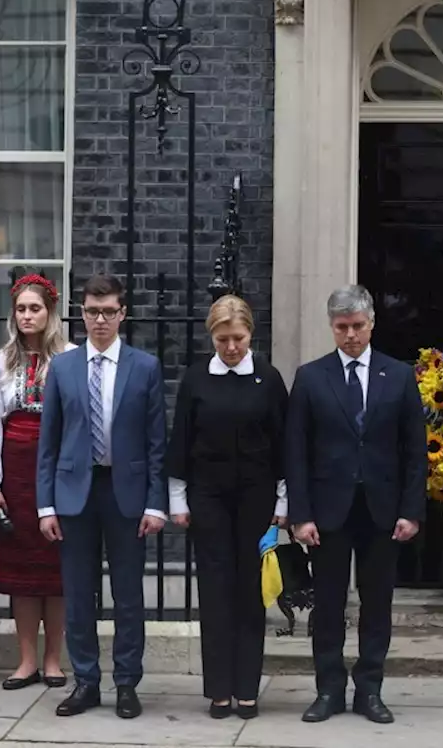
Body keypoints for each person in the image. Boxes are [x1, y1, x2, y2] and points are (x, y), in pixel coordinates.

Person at [283, 285, 425, 725]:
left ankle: (370, 689)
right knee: (327, 603)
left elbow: (414, 450)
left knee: (376, 602)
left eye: (358, 326)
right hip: (328, 511)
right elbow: (296, 451)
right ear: (332, 327)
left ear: (372, 323)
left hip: (382, 509)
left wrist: (411, 510)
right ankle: (328, 689)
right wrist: (300, 514)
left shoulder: (398, 375)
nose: (350, 335)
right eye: (342, 327)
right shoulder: (311, 377)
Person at [36, 274, 168, 719]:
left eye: (108, 311)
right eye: (92, 311)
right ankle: (86, 681)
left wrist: (156, 502)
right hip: (75, 492)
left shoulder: (145, 367)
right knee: (78, 593)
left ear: (122, 313)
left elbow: (156, 442)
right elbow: (48, 441)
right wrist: (45, 504)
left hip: (125, 492)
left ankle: (127, 682)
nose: (99, 320)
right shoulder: (63, 367)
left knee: (128, 595)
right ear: (81, 313)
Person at [166, 294, 289, 720]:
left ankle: (248, 688)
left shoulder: (269, 380)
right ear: (211, 337)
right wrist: (178, 501)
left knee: (250, 593)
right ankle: (219, 689)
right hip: (209, 498)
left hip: (256, 498)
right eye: (222, 339)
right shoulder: (196, 380)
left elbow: (284, 444)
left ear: (250, 334)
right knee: (215, 592)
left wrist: (283, 502)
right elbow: (181, 440)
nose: (231, 347)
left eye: (237, 338)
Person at [0, 273, 77, 691]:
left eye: (35, 308)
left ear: (50, 312)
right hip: (15, 469)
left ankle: (54, 660)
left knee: (55, 569)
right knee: (20, 569)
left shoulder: (71, 358)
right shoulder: (0, 362)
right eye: (20, 309)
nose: (27, 316)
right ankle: (26, 660)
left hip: (57, 469)